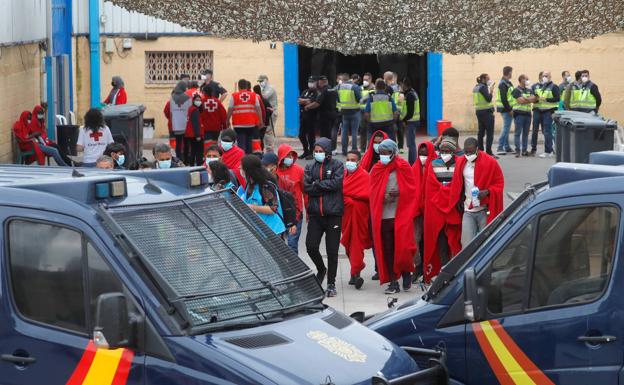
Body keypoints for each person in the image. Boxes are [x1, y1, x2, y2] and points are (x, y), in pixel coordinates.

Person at [370, 139, 417, 294]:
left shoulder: (403, 167)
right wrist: (383, 197)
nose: (383, 156)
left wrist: (400, 192)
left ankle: (406, 273)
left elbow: (412, 190)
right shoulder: (376, 169)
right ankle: (393, 281)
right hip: (383, 216)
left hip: (400, 215)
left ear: (393, 152)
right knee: (388, 249)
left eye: (386, 153)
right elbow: (373, 192)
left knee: (403, 248)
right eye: (381, 153)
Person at [304, 138, 344, 298]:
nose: (318, 154)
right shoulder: (309, 167)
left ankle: (331, 283)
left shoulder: (338, 165)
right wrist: (322, 186)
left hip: (333, 215)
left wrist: (317, 185)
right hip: (315, 214)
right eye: (316, 151)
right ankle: (321, 269)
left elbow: (336, 184)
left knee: (332, 251)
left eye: (321, 151)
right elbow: (307, 187)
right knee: (310, 246)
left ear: (328, 152)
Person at [449, 138, 504, 248]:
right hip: (468, 210)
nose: (468, 154)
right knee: (466, 245)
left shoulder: (490, 162)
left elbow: (499, 182)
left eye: (471, 151)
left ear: (477, 149)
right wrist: (459, 199)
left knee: (486, 244)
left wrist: (488, 191)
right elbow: (457, 183)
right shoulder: (461, 162)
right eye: (466, 151)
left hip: (484, 210)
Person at [423, 138, 462, 283]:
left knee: (454, 240)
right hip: (437, 209)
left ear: (453, 152)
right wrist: (446, 189)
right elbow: (430, 187)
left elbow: (460, 185)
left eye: (447, 151)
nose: (444, 154)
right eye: (442, 151)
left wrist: (446, 190)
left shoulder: (460, 164)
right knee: (440, 242)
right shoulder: (434, 164)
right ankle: (443, 270)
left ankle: (454, 271)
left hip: (453, 209)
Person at [341, 150, 371, 289]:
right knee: (348, 245)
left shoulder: (365, 176)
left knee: (356, 245)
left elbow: (368, 195)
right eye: (348, 159)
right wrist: (348, 200)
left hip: (359, 215)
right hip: (346, 216)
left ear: (359, 162)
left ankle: (356, 274)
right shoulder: (343, 175)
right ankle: (354, 272)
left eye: (353, 160)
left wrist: (350, 199)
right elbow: (339, 193)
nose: (350, 162)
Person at [237, 155, 286, 235]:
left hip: (272, 230)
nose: (240, 169)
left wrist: (253, 207)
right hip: (259, 229)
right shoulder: (250, 184)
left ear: (248, 170)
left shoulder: (265, 186)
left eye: (242, 168)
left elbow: (273, 209)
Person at [411, 141, 437, 281]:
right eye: (420, 154)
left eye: (426, 154)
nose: (423, 157)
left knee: (430, 242)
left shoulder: (435, 168)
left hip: (431, 211)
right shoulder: (413, 168)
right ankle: (418, 266)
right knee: (415, 241)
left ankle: (429, 269)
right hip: (416, 212)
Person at [276, 144, 306, 254]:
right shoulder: (275, 171)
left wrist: (307, 211)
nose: (290, 158)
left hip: (296, 214)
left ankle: (296, 270)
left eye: (291, 155)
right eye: (287, 155)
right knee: (279, 245)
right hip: (279, 214)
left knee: (292, 245)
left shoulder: (299, 171)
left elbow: (305, 192)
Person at [226, 79, 263, 154]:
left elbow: (230, 109)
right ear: (247, 86)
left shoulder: (234, 96)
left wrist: (227, 120)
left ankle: (241, 160)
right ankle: (248, 160)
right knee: (249, 143)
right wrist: (260, 121)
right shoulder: (253, 95)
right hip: (251, 124)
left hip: (238, 125)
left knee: (241, 143)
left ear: (239, 87)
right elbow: (258, 109)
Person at [531, 71, 560, 157]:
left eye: (546, 76)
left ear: (550, 77)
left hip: (548, 111)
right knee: (534, 131)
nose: (544, 77)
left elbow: (557, 98)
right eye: (543, 76)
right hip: (537, 110)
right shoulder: (536, 87)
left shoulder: (554, 87)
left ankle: (548, 151)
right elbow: (533, 98)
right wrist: (535, 99)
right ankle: (533, 149)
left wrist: (546, 99)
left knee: (547, 131)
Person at [336, 73, 362, 155]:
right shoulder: (354, 87)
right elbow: (359, 99)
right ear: (349, 78)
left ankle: (344, 150)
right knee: (354, 131)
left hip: (344, 111)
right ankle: (354, 149)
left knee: (344, 131)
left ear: (342, 79)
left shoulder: (339, 87)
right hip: (355, 111)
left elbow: (338, 99)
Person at [512, 74, 537, 157]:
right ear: (521, 80)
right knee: (517, 133)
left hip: (528, 114)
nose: (528, 80)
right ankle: (517, 151)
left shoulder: (529, 90)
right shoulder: (516, 90)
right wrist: (529, 99)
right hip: (519, 114)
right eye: (526, 79)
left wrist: (526, 99)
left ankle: (524, 151)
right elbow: (520, 101)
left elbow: (534, 99)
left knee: (526, 134)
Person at [473, 73, 497, 157]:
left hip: (479, 112)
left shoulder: (476, 87)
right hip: (486, 113)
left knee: (481, 132)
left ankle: (480, 151)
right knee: (489, 133)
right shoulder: (483, 87)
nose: (489, 80)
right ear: (483, 79)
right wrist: (491, 91)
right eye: (488, 79)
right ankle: (489, 152)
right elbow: (488, 99)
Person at [168, 80, 192, 158]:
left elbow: (171, 112)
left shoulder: (172, 97)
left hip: (176, 124)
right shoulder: (188, 98)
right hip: (186, 123)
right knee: (186, 143)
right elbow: (190, 111)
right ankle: (186, 158)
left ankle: (178, 158)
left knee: (178, 143)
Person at [200, 84, 227, 151]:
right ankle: (214, 157)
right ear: (212, 92)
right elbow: (223, 114)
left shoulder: (202, 102)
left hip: (206, 127)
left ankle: (208, 157)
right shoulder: (217, 102)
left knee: (207, 144)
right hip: (216, 127)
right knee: (214, 144)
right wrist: (224, 126)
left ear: (204, 92)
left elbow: (199, 115)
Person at [399, 78, 421, 164]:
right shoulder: (412, 93)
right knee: (411, 143)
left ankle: (412, 163)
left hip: (411, 121)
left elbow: (410, 112)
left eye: (402, 85)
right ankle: (412, 162)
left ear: (405, 85)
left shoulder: (410, 95)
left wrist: (404, 120)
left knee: (410, 144)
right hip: (412, 121)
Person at [298, 76, 319, 160]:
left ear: (316, 83)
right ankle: (305, 151)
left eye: (312, 82)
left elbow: (313, 102)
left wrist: (305, 101)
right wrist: (306, 101)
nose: (310, 83)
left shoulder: (317, 92)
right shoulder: (306, 91)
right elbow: (299, 100)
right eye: (309, 81)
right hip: (303, 117)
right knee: (301, 135)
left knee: (311, 136)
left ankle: (311, 152)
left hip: (312, 117)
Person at [496, 66, 515, 155]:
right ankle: (500, 147)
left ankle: (507, 147)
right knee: (506, 128)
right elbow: (504, 99)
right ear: (509, 72)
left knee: (506, 128)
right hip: (506, 109)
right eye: (511, 72)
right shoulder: (503, 84)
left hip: (507, 108)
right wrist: (509, 109)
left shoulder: (508, 83)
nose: (512, 74)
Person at [313, 75, 338, 141]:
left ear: (321, 82)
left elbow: (317, 103)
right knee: (331, 132)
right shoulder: (333, 89)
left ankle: (325, 148)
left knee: (324, 134)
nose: (318, 84)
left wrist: (308, 107)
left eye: (318, 82)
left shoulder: (323, 91)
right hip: (333, 114)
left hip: (325, 115)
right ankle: (331, 148)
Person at [184, 94, 204, 166]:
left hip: (191, 134)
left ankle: (192, 165)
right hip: (195, 135)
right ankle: (199, 165)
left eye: (200, 100)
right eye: (197, 100)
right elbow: (195, 123)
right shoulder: (195, 110)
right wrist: (198, 135)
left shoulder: (191, 108)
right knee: (199, 151)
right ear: (193, 101)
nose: (199, 101)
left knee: (193, 151)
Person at [359, 72, 375, 151]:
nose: (364, 81)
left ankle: (369, 149)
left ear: (370, 80)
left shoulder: (373, 88)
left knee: (370, 131)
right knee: (362, 131)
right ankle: (362, 149)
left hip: (370, 113)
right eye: (364, 79)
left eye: (366, 79)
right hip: (361, 112)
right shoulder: (360, 88)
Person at [253, 84, 272, 151]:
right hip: (265, 122)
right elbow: (271, 110)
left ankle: (259, 150)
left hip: (257, 123)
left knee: (258, 138)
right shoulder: (265, 100)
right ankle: (261, 151)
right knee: (261, 137)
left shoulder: (255, 99)